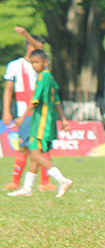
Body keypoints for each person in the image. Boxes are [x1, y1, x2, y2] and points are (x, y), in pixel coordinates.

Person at [7, 50, 73, 198]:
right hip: (47, 119)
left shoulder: (43, 77)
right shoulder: (51, 78)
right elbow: (56, 100)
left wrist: (22, 117)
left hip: (41, 120)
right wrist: (63, 120)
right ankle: (27, 187)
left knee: (34, 153)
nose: (34, 66)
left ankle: (62, 180)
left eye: (37, 62)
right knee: (36, 153)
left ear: (45, 62)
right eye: (32, 63)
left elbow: (35, 100)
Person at [3, 27, 55, 192]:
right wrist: (6, 110)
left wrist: (26, 34)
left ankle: (45, 182)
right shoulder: (15, 65)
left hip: (40, 112)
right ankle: (15, 181)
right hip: (22, 112)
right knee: (24, 148)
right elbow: (8, 90)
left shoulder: (43, 65)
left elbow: (40, 50)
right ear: (28, 46)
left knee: (41, 146)